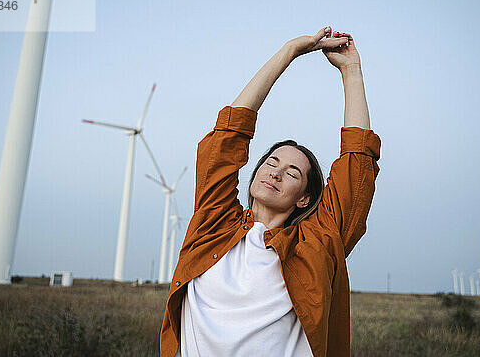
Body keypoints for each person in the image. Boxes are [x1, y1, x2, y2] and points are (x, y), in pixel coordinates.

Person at [160, 26, 381, 357]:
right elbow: (226, 138)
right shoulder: (213, 223)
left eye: (292, 172)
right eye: (271, 162)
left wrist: (351, 71)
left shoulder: (317, 243)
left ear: (304, 197)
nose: (275, 172)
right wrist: (290, 51)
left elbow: (357, 167)